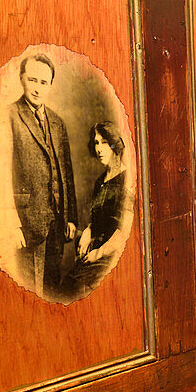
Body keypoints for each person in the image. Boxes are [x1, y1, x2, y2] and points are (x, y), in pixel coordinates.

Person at [9, 53, 77, 299]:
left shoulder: (58, 123)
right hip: (27, 225)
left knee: (52, 289)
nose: (37, 89)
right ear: (22, 79)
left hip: (57, 224)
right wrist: (12, 222)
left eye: (43, 82)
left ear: (50, 85)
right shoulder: (8, 117)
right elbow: (0, 178)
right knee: (30, 292)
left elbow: (66, 175)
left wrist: (71, 219)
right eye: (33, 80)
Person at [62, 122, 131, 297]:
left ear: (115, 144)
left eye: (104, 142)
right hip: (95, 249)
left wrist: (98, 254)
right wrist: (87, 231)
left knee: (75, 287)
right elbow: (97, 218)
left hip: (114, 254)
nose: (99, 149)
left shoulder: (127, 181)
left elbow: (123, 232)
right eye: (96, 143)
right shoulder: (100, 181)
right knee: (67, 284)